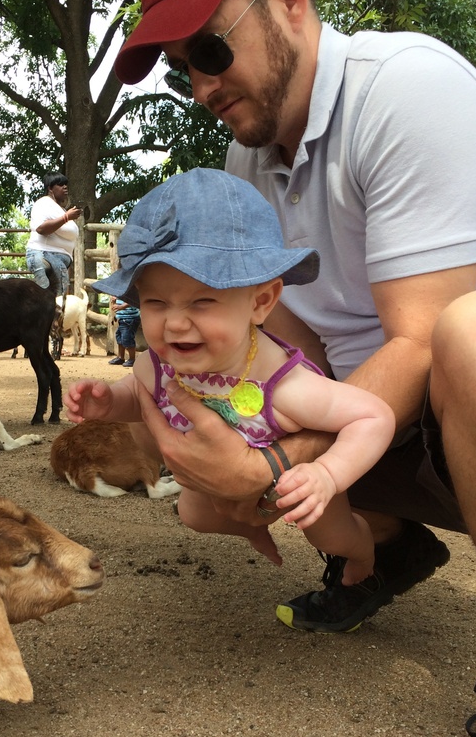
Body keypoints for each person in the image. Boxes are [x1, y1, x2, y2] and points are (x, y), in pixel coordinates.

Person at [113, 0, 476, 737]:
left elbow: (421, 338)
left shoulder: (407, 88)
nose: (199, 86)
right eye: (182, 68)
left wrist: (269, 463)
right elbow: (277, 342)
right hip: (423, 425)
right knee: (240, 386)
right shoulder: (247, 158)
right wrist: (203, 407)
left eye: (210, 50)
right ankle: (386, 549)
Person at [66, 169, 396, 582]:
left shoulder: (285, 386)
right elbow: (140, 388)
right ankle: (250, 527)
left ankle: (365, 556)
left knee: (329, 535)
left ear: (261, 302)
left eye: (202, 301)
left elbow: (373, 416)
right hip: (216, 476)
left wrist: (327, 475)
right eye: (155, 302)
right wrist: (111, 400)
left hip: (294, 480)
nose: (175, 324)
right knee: (193, 511)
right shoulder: (159, 363)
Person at [25, 173, 82, 301]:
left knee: (55, 301)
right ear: (50, 188)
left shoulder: (59, 209)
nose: (65, 187)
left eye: (66, 184)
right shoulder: (43, 203)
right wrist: (67, 217)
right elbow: (41, 228)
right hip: (44, 255)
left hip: (56, 260)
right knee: (50, 301)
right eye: (60, 184)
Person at [109, 296, 141, 367]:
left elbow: (134, 299)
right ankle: (120, 357)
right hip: (122, 318)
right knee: (119, 337)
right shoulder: (119, 290)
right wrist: (114, 301)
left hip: (130, 318)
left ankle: (132, 359)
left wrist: (121, 307)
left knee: (127, 338)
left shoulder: (131, 289)